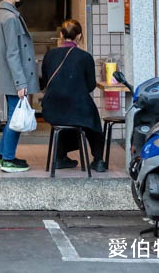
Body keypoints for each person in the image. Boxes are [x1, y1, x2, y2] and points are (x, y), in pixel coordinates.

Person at [0, 0, 40, 173]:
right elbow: (13, 52)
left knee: (12, 117)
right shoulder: (10, 18)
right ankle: (8, 158)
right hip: (14, 77)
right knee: (15, 118)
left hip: (3, 75)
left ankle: (2, 155)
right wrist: (20, 82)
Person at [40, 20, 109, 173]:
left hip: (52, 108)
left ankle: (60, 157)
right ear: (79, 36)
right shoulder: (85, 57)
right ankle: (98, 160)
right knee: (92, 121)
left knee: (65, 116)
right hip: (78, 109)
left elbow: (44, 82)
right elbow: (90, 86)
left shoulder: (50, 55)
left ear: (61, 35)